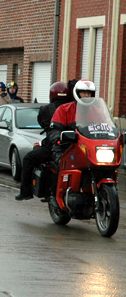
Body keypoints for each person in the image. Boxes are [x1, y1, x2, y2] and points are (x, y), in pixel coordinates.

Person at [15, 81, 72, 201]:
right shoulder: (73, 107)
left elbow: (42, 123)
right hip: (74, 145)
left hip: (52, 146)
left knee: (28, 159)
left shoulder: (46, 109)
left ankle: (26, 192)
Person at [47, 79, 95, 208]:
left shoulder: (97, 111)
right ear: (77, 93)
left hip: (88, 149)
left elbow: (106, 126)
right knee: (62, 165)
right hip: (67, 148)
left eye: (89, 93)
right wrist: (61, 137)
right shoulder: (64, 109)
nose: (86, 96)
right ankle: (54, 198)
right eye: (83, 93)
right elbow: (53, 130)